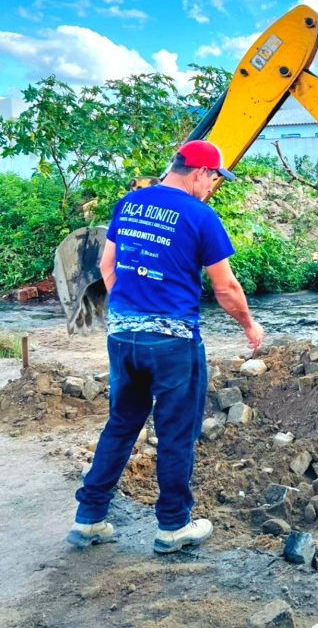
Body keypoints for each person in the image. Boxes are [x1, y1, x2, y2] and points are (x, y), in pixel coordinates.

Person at [66, 140, 265, 554]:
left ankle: (89, 519)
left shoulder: (130, 204)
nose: (213, 187)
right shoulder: (200, 216)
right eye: (214, 178)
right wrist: (249, 325)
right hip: (173, 343)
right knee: (176, 434)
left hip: (122, 338)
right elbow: (225, 287)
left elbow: (107, 266)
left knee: (121, 425)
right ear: (198, 172)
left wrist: (132, 313)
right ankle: (173, 526)